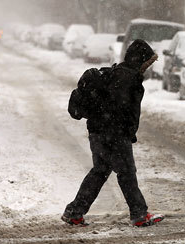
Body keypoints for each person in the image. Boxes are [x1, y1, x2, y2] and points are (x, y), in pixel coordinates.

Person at [62, 39, 164, 227]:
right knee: (126, 173)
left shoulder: (119, 73)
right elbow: (120, 108)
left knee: (100, 172)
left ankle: (74, 212)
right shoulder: (127, 78)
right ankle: (139, 214)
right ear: (139, 60)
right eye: (148, 62)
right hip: (113, 135)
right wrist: (124, 132)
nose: (148, 67)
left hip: (99, 132)